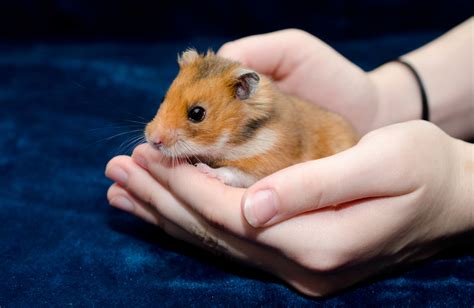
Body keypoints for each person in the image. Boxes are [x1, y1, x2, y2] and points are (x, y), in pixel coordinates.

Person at [105, 18, 473, 296]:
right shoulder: (206, 114)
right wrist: (385, 100)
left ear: (243, 92)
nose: (156, 135)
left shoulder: (271, 133)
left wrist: (459, 184)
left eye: (195, 115)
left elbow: (271, 168)